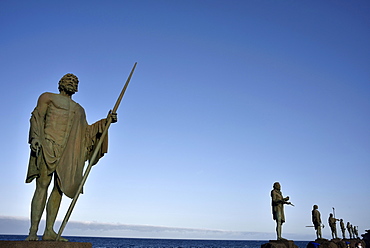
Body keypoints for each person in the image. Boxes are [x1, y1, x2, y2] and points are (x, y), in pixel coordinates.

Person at [25, 73, 117, 241]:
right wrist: (36, 138)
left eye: (75, 82)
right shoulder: (47, 97)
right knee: (42, 185)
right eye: (69, 80)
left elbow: (86, 133)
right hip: (48, 144)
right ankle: (32, 231)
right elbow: (37, 118)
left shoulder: (79, 110)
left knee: (59, 189)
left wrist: (105, 122)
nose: (72, 83)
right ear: (61, 83)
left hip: (68, 151)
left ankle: (49, 231)